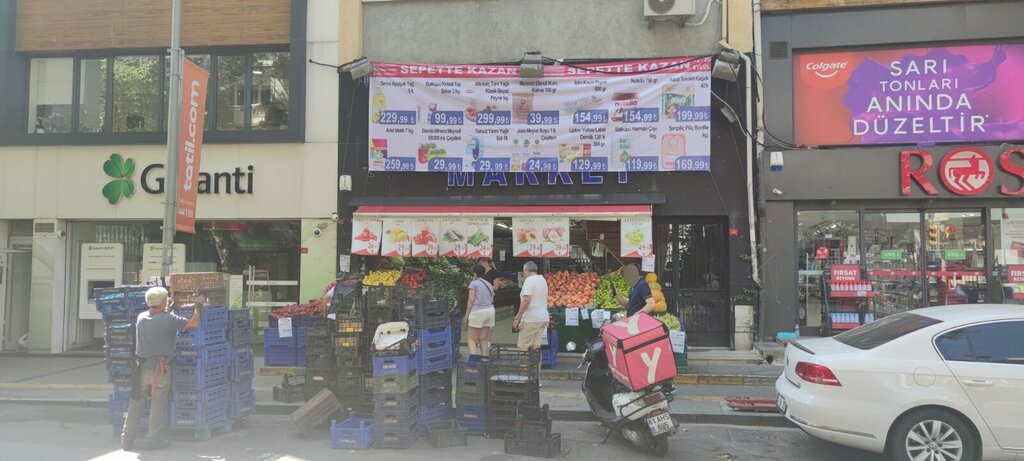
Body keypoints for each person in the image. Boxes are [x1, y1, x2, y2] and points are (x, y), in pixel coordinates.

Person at [121, 287, 202, 451]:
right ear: (164, 302)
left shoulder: (141, 317)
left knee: (136, 402)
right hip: (160, 368)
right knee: (157, 403)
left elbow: (157, 320)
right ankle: (152, 439)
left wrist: (166, 310)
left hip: (141, 367)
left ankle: (127, 439)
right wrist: (198, 305)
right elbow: (194, 322)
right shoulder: (169, 319)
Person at [513, 261, 549, 352]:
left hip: (531, 318)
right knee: (536, 346)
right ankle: (535, 362)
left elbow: (526, 301)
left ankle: (524, 362)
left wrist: (517, 318)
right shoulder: (542, 279)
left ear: (526, 270)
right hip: (542, 317)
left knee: (523, 346)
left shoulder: (529, 280)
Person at [464, 265, 495, 356]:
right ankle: (484, 359)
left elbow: (471, 300)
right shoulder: (489, 284)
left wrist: (467, 314)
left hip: (478, 311)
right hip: (490, 311)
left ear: (475, 274)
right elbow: (492, 299)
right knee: (483, 339)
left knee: (471, 338)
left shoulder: (474, 283)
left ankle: (474, 361)